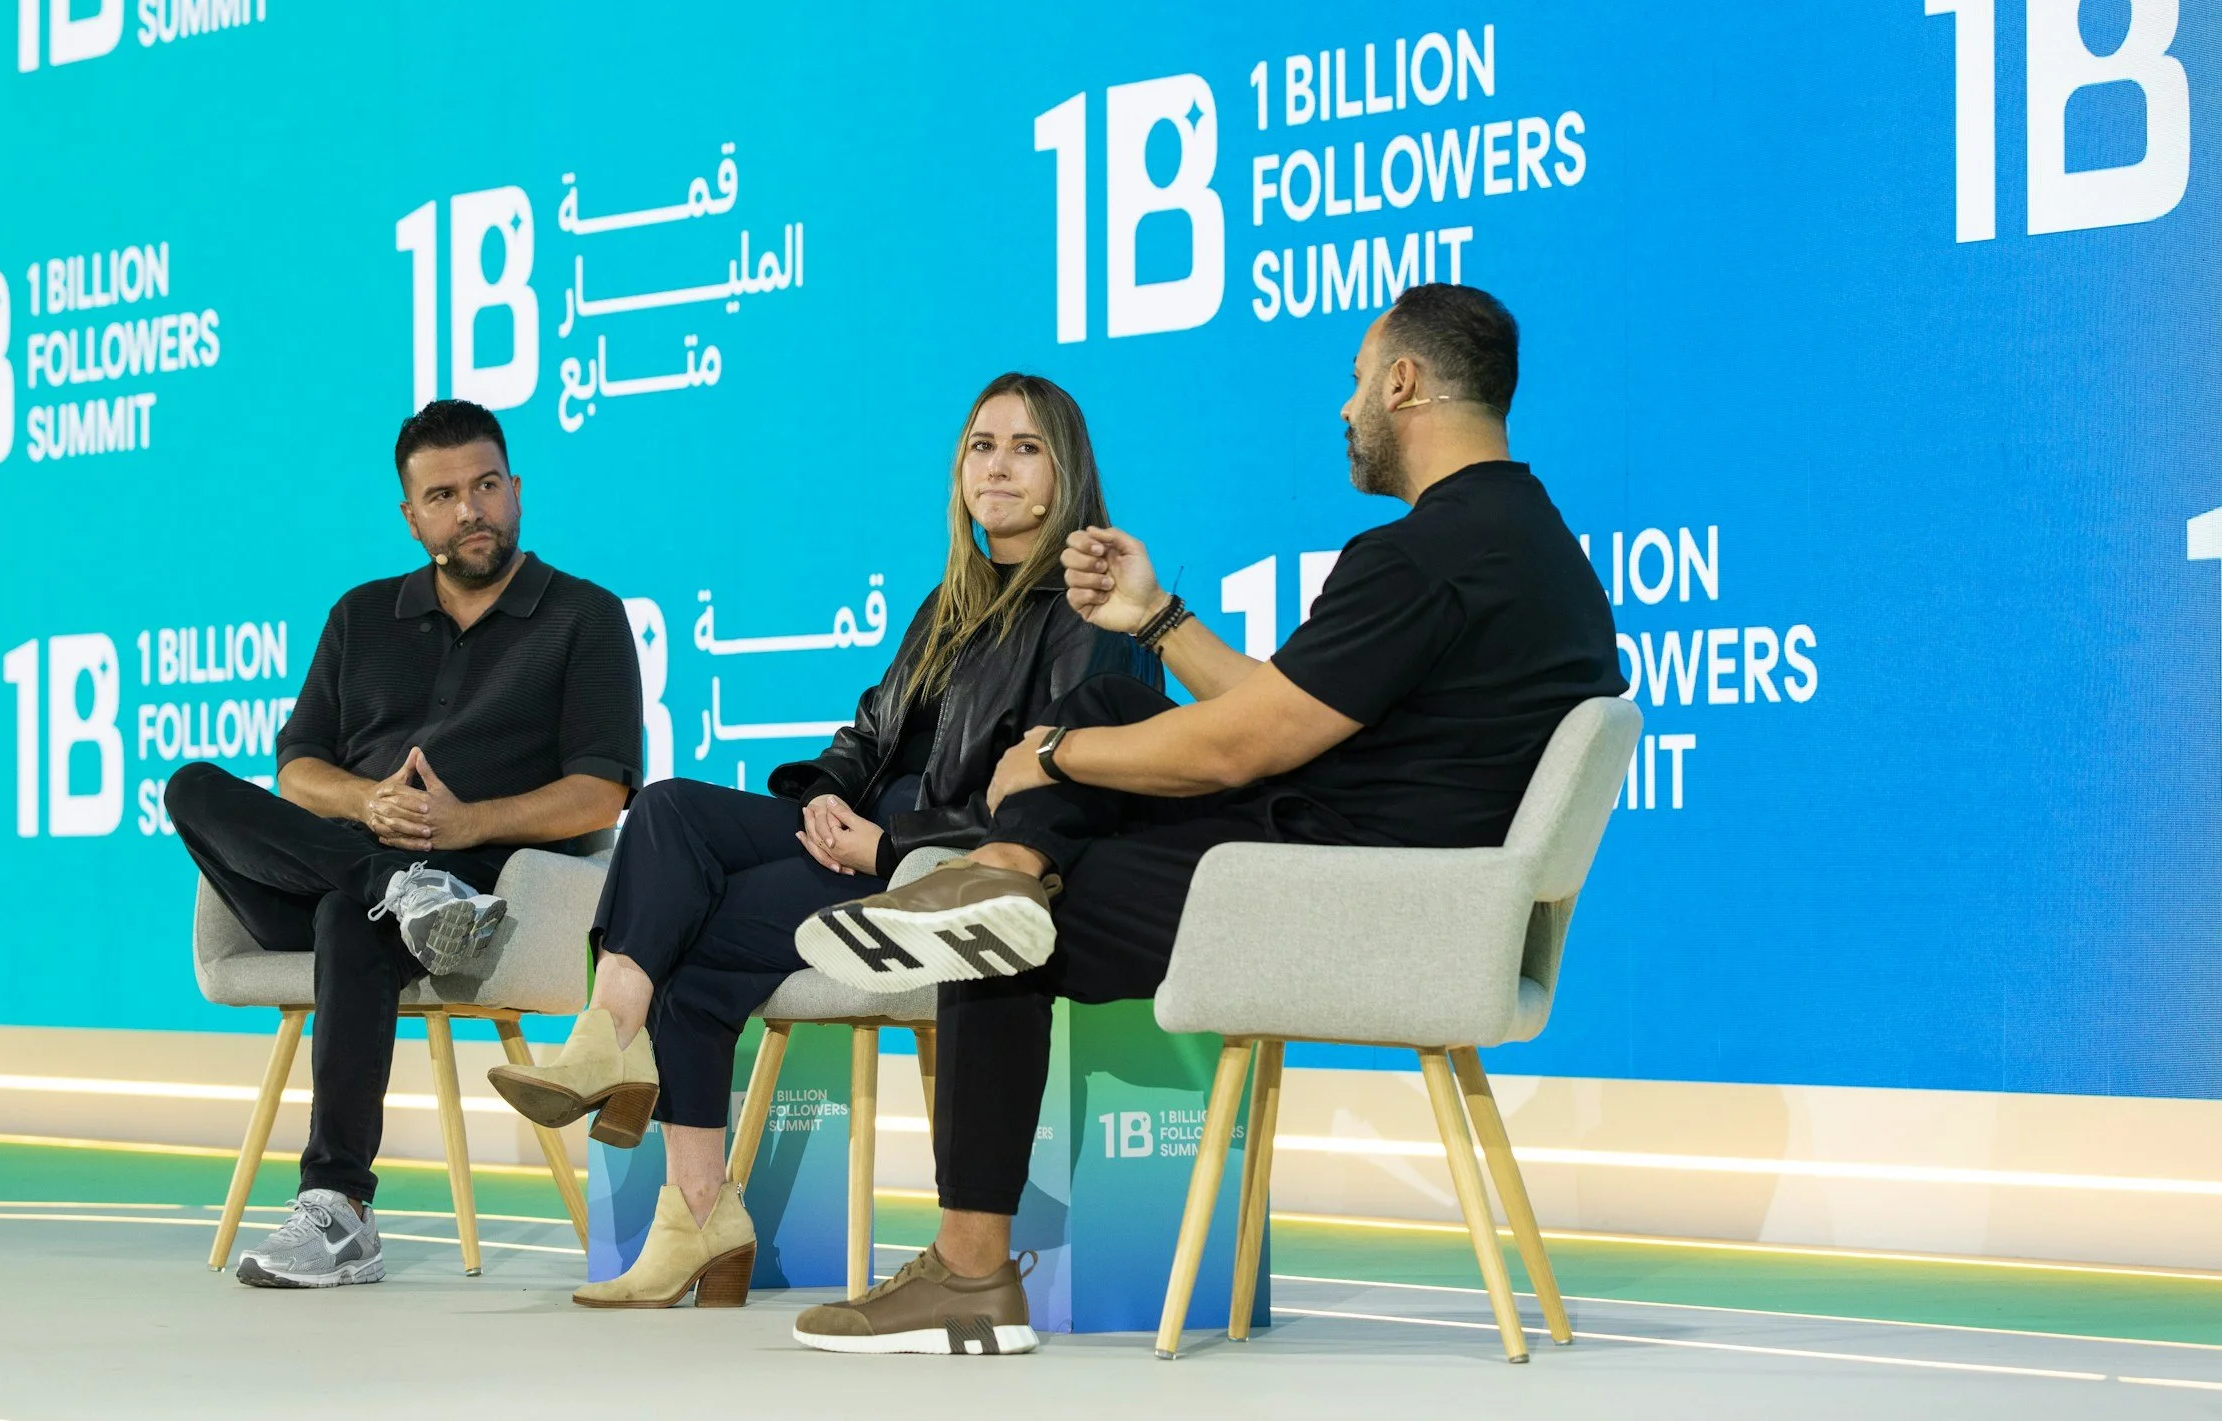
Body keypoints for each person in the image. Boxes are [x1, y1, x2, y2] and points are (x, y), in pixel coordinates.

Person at [789, 284, 1627, 1354]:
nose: (1346, 405)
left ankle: (968, 1269)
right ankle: (1001, 865)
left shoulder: (1418, 559)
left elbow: (1242, 744)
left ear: (1404, 383)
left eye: (1359, 378)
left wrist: (1049, 753)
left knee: (997, 939)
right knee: (1112, 698)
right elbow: (1278, 708)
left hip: (1327, 897)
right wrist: (1155, 618)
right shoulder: (1534, 548)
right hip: (1410, 893)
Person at [487, 372, 1159, 1311]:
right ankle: (611, 1042)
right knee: (672, 806)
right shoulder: (947, 606)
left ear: (1066, 475)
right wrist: (827, 802)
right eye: (979, 445)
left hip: (932, 870)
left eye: (1023, 446)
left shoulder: (1090, 611)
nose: (995, 465)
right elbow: (868, 732)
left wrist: (883, 847)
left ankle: (688, 1200)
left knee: (699, 936)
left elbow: (1048, 794)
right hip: (860, 837)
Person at [164, 399, 642, 1289]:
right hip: (344, 865)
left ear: (517, 491)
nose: (471, 510)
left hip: (483, 897)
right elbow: (297, 768)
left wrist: (466, 823)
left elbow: (602, 789)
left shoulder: (584, 616)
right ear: (412, 515)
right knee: (192, 786)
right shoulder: (360, 616)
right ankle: (395, 885)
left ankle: (339, 1210)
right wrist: (369, 802)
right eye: (445, 495)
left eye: (487, 486)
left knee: (353, 914)